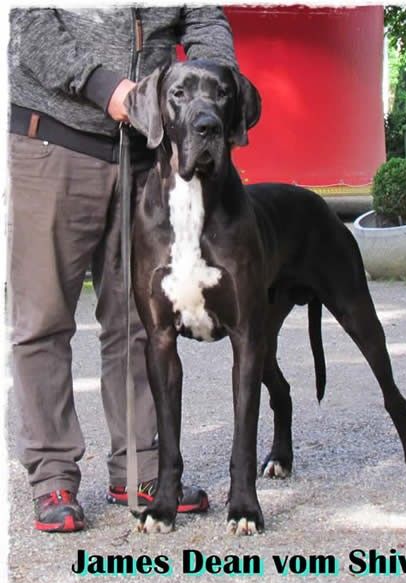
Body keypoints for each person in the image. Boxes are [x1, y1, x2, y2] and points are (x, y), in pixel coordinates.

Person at [8, 7, 238, 532]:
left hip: (146, 150)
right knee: (43, 320)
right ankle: (52, 475)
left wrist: (207, 89)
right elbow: (28, 18)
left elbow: (206, 19)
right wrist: (105, 87)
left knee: (139, 322)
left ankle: (139, 469)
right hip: (54, 138)